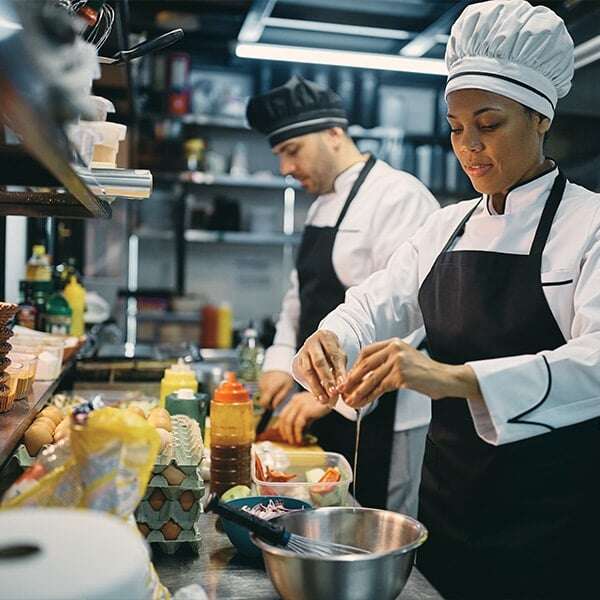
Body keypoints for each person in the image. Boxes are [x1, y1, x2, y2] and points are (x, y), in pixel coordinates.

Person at [292, 1, 600, 598]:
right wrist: (332, 338)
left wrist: (455, 379)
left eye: (490, 124)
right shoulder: (445, 227)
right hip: (448, 505)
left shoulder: (589, 225)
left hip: (553, 517)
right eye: (457, 128)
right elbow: (375, 300)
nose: (470, 147)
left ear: (540, 118)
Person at [246, 76, 439, 511]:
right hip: (323, 402)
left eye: (292, 151)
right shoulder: (320, 206)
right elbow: (299, 300)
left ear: (334, 134)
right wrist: (279, 367)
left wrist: (331, 396)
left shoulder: (399, 197)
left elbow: (410, 319)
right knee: (326, 514)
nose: (285, 169)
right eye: (279, 155)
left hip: (385, 411)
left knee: (372, 522)